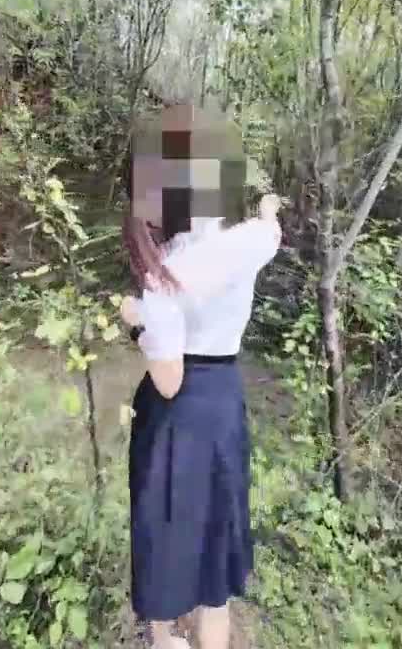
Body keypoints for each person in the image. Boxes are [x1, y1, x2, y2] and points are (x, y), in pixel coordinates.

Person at [119, 187, 282, 649]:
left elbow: (169, 380)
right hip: (222, 400)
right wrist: (268, 209)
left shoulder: (164, 272)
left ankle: (163, 638)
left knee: (162, 524)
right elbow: (272, 231)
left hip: (174, 412)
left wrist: (136, 323)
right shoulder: (251, 239)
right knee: (215, 536)